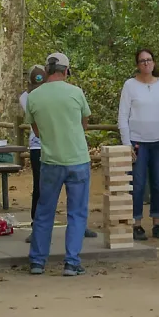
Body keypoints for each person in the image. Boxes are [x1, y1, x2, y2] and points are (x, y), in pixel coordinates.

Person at [25, 52, 93, 277]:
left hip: (50, 160)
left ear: (46, 71)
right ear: (66, 71)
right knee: (76, 212)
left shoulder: (33, 97)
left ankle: (37, 261)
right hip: (77, 159)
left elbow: (36, 130)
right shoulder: (76, 93)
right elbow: (83, 124)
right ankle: (72, 262)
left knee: (45, 212)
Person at [118, 49, 159, 242]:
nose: (146, 64)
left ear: (154, 62)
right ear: (137, 64)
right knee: (138, 184)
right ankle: (136, 224)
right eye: (142, 61)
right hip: (138, 142)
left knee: (158, 183)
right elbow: (123, 115)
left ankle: (157, 222)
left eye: (149, 60)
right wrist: (127, 144)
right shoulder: (130, 85)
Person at [19, 64, 45, 222]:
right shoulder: (25, 97)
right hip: (37, 145)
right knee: (39, 186)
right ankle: (36, 221)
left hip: (57, 145)